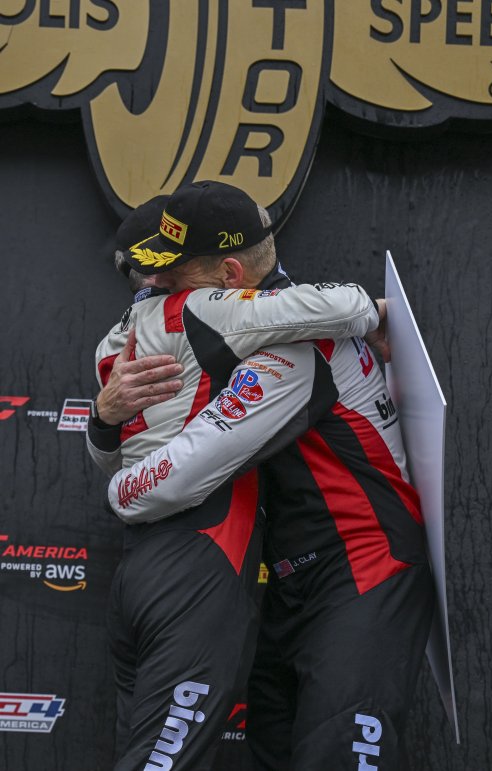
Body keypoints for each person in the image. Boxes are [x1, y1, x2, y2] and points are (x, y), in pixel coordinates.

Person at [87, 181, 385, 771]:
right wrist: (382, 312)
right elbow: (345, 306)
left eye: (167, 263)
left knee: (149, 750)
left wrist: (101, 420)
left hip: (145, 567)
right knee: (164, 761)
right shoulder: (203, 305)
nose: (157, 275)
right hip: (196, 556)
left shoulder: (113, 338)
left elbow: (107, 448)